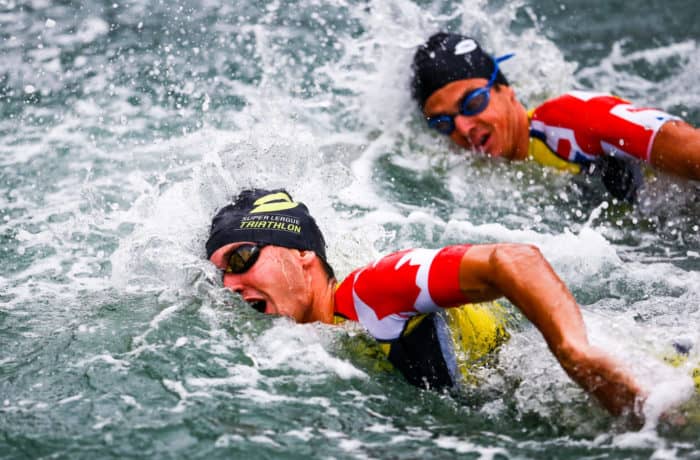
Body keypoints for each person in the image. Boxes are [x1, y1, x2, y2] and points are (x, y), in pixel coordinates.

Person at [206, 187, 646, 418]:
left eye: (240, 258)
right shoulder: (321, 339)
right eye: (221, 273)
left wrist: (574, 351)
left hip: (635, 379)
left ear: (302, 253)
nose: (231, 284)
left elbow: (514, 258)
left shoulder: (370, 291)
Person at [411, 32, 700, 202]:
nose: (462, 127)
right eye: (443, 122)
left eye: (473, 102)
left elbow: (684, 143)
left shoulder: (568, 119)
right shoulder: (481, 178)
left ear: (505, 90)